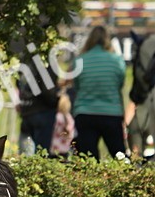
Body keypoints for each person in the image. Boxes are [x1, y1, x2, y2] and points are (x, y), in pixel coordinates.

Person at [71, 25, 127, 160]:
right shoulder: (117, 61)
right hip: (111, 113)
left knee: (87, 160)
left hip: (85, 113)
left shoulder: (79, 60)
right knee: (120, 157)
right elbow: (120, 84)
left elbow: (77, 87)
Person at [18, 73, 59, 155]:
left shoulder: (25, 61)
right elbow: (48, 91)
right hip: (42, 111)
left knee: (26, 153)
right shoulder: (45, 64)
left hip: (27, 110)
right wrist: (57, 100)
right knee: (41, 153)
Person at [51, 93, 75, 159]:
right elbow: (72, 134)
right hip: (65, 149)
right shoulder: (69, 118)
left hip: (53, 149)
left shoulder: (55, 117)